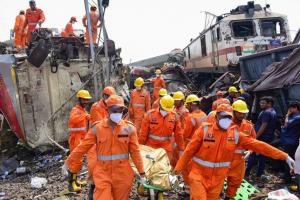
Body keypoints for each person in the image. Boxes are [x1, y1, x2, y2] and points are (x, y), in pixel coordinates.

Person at [174, 104, 295, 200]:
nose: (226, 120)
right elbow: (189, 151)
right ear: (216, 117)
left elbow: (259, 145)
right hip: (198, 176)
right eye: (223, 116)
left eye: (228, 117)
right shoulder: (204, 131)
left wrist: (284, 156)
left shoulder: (236, 135)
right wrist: (178, 170)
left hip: (217, 180)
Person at [63, 95, 145, 199]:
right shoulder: (97, 128)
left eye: (121, 110)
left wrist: (142, 173)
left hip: (123, 175)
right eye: (115, 110)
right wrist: (68, 162)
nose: (118, 113)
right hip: (103, 173)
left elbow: (135, 152)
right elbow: (82, 147)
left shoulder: (129, 129)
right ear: (108, 110)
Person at [224, 100, 256, 199]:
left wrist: (250, 151)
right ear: (233, 112)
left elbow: (253, 141)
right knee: (217, 181)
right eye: (239, 113)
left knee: (235, 182)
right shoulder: (225, 124)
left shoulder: (248, 126)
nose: (242, 115)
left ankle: (228, 197)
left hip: (239, 160)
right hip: (223, 159)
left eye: (244, 113)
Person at [139, 95, 185, 161]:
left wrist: (181, 149)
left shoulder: (174, 117)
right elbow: (143, 134)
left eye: (167, 110)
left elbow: (179, 135)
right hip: (151, 148)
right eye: (164, 109)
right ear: (160, 105)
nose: (166, 112)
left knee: (164, 170)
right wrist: (140, 147)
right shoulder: (150, 115)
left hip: (166, 150)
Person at [245, 96, 277, 179]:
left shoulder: (266, 112)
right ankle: (258, 175)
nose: (260, 104)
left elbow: (263, 126)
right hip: (268, 137)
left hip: (262, 137)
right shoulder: (273, 111)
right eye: (260, 102)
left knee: (253, 154)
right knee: (263, 156)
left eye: (263, 103)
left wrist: (255, 137)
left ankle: (246, 173)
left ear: (269, 104)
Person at [181, 94, 207, 195]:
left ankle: (188, 190)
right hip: (202, 146)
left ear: (192, 105)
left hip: (191, 146)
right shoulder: (204, 115)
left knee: (188, 169)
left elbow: (185, 134)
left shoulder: (190, 117)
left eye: (188, 105)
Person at [67, 89, 91, 192]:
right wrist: (85, 116)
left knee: (78, 162)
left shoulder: (83, 110)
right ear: (80, 99)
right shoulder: (75, 110)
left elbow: (85, 119)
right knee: (75, 161)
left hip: (81, 138)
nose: (86, 101)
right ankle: (71, 184)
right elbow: (73, 119)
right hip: (75, 139)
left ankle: (75, 181)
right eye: (84, 100)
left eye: (87, 100)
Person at [280, 101, 300, 183]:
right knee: (287, 158)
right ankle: (286, 175)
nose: (290, 109)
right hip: (288, 139)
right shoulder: (294, 116)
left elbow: (286, 124)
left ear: (295, 108)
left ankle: (288, 178)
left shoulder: (298, 117)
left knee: (288, 159)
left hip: (291, 141)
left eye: (291, 108)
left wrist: (287, 115)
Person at [172, 91, 189, 167]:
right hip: (175, 135)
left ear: (181, 101)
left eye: (176, 100)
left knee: (179, 155)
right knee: (174, 155)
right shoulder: (176, 109)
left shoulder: (185, 112)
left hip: (180, 137)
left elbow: (184, 127)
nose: (174, 102)